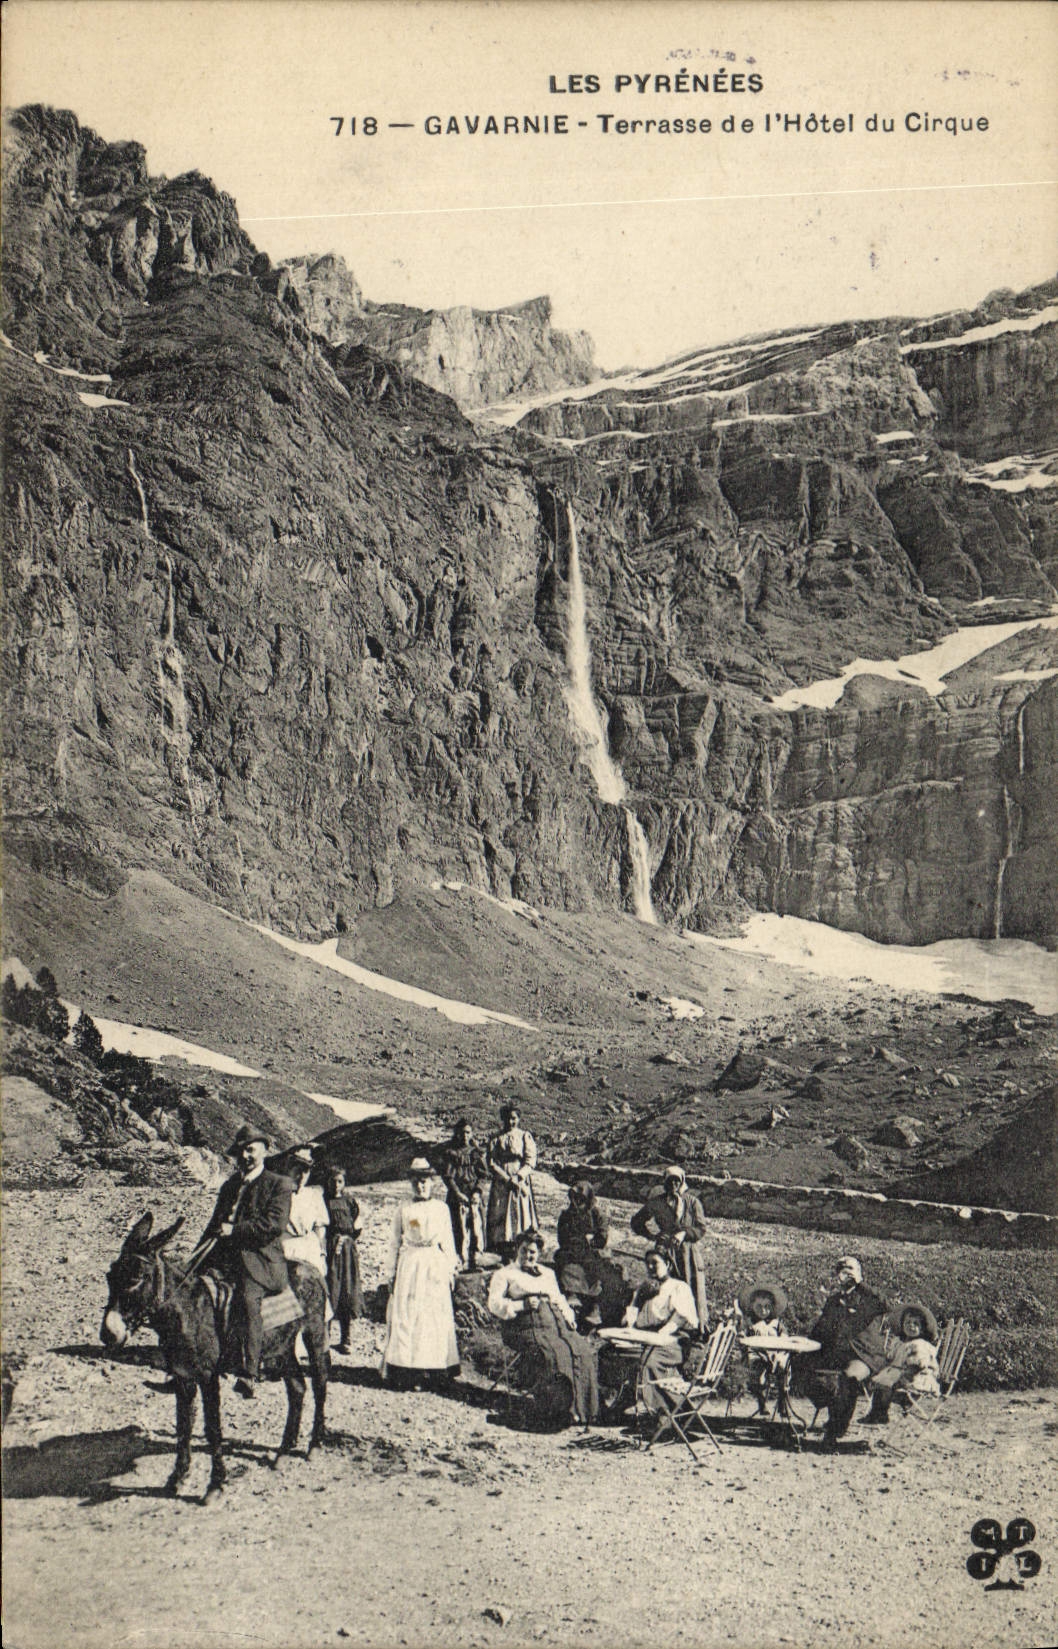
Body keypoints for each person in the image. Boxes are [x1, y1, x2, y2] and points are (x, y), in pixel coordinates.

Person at [196, 1124, 292, 1398]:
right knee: (192, 1291)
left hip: (260, 1261)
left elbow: (274, 1225)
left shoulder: (279, 1184)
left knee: (248, 1300)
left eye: (250, 1149)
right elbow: (213, 1225)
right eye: (241, 1152)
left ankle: (249, 1372)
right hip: (225, 1257)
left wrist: (235, 1231)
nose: (246, 1156)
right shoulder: (230, 1186)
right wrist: (197, 1257)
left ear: (264, 1150)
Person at [487, 1229, 600, 1428]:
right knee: (555, 1356)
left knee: (582, 1351)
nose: (528, 1256)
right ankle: (558, 1412)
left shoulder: (547, 1274)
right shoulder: (504, 1274)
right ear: (517, 1250)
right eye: (524, 1251)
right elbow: (494, 1304)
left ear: (539, 1253)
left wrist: (569, 1317)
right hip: (523, 1326)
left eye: (533, 1252)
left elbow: (558, 1299)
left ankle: (583, 1411)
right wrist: (520, 1305)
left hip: (555, 1324)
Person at [381, 1158, 460, 1391]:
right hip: (410, 1265)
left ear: (432, 1182)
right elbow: (394, 1242)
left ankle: (435, 1371)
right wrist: (390, 1273)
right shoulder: (405, 1209)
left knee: (433, 1318)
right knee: (409, 1317)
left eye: (424, 1181)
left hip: (434, 1265)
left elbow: (448, 1242)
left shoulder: (441, 1209)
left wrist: (450, 1269)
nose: (420, 1186)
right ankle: (408, 1372)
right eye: (416, 1181)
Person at [793, 1256, 887, 1449]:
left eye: (852, 1268)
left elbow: (884, 1304)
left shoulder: (868, 1298)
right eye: (843, 1269)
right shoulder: (834, 1300)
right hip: (836, 1354)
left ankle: (835, 1430)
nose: (847, 1272)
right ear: (838, 1275)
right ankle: (828, 1403)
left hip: (865, 1355)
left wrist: (860, 1284)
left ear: (860, 1274)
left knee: (847, 1377)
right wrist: (804, 1343)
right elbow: (820, 1330)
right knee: (799, 1363)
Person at [619, 1247, 699, 1422]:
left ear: (668, 1264)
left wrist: (659, 1336)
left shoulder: (679, 1287)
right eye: (647, 1264)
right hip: (647, 1337)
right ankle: (624, 1400)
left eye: (655, 1263)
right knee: (613, 1353)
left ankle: (666, 1412)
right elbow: (631, 1316)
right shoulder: (644, 1287)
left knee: (650, 1362)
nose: (650, 1267)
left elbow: (679, 1319)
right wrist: (630, 1323)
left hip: (674, 1339)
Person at [629, 1166, 710, 1328]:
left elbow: (701, 1229)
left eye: (676, 1181)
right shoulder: (657, 1203)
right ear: (664, 1182)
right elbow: (637, 1222)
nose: (673, 1184)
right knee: (665, 1286)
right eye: (669, 1181)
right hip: (665, 1252)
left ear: (682, 1182)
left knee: (690, 1287)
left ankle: (694, 1326)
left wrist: (684, 1234)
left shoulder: (692, 1202)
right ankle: (661, 1322)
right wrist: (654, 1235)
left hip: (687, 1253)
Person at [554, 1180, 627, 1328]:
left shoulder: (597, 1214)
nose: (576, 1202)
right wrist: (577, 1240)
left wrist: (592, 1240)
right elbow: (562, 1237)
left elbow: (602, 1237)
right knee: (565, 1263)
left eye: (580, 1198)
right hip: (572, 1250)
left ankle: (595, 1307)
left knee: (602, 1270)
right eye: (574, 1198)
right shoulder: (566, 1215)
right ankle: (572, 1296)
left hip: (592, 1251)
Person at [861, 1303, 941, 1425]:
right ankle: (877, 1414)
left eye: (916, 1324)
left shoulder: (920, 1345)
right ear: (902, 1325)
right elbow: (890, 1358)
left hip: (914, 1379)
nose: (911, 1326)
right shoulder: (899, 1343)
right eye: (908, 1323)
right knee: (880, 1384)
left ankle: (880, 1414)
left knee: (885, 1386)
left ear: (923, 1328)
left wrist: (904, 1377)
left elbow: (919, 1365)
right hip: (897, 1375)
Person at [485, 1104, 539, 1255]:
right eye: (508, 1118)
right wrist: (506, 1178)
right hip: (501, 1182)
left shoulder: (524, 1136)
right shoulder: (496, 1138)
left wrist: (518, 1176)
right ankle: (502, 1248)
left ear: (519, 1119)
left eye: (514, 1118)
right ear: (503, 1119)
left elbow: (530, 1160)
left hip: (519, 1181)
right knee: (500, 1212)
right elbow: (491, 1162)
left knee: (519, 1213)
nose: (511, 1122)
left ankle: (519, 1246)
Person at [324, 1165, 365, 1353]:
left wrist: (349, 1239)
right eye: (333, 1180)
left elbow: (357, 1224)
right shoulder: (324, 1201)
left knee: (347, 1291)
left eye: (339, 1181)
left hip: (348, 1251)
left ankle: (346, 1338)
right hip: (331, 1249)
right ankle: (324, 1339)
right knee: (331, 1289)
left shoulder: (350, 1201)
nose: (336, 1185)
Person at [439, 1119, 488, 1270]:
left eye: (467, 1132)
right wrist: (457, 1193)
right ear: (456, 1134)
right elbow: (448, 1177)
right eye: (461, 1133)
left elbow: (484, 1175)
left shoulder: (475, 1153)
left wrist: (478, 1192)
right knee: (458, 1228)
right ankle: (460, 1259)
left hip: (473, 1195)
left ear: (472, 1134)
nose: (464, 1136)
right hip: (457, 1195)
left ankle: (475, 1259)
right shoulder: (452, 1154)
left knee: (475, 1227)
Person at [738, 1281, 789, 1415]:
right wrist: (743, 1338)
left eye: (767, 1307)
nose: (763, 1310)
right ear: (752, 1306)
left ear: (772, 1307)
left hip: (774, 1353)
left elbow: (784, 1336)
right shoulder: (749, 1322)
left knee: (784, 1368)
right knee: (758, 1373)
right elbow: (741, 1337)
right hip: (756, 1354)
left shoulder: (775, 1323)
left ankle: (782, 1402)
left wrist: (782, 1341)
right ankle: (762, 1403)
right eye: (759, 1306)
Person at [281, 1146, 329, 1279]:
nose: (302, 1175)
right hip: (286, 1249)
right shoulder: (279, 1194)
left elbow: (320, 1228)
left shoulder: (314, 1195)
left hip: (309, 1250)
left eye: (306, 1171)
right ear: (290, 1168)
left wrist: (322, 1255)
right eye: (298, 1169)